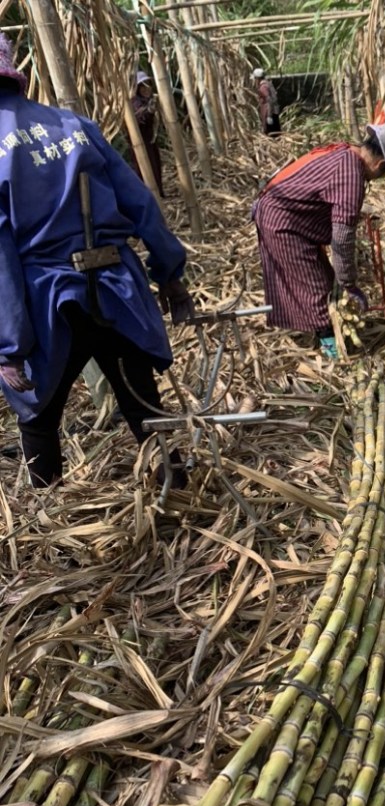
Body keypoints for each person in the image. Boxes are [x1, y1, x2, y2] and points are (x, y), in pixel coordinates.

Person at [0, 34, 194, 489]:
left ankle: (51, 527)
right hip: (116, 289)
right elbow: (140, 205)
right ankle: (180, 497)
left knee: (40, 420)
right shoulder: (74, 126)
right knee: (144, 407)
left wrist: (10, 346)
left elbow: (1, 256)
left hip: (48, 303)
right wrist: (170, 274)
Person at [252, 121, 385, 357]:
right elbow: (343, 238)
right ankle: (329, 345)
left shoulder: (346, 153)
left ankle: (323, 332)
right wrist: (349, 283)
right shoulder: (352, 174)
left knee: (322, 276)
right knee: (315, 286)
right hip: (282, 220)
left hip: (287, 215)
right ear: (380, 164)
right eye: (384, 173)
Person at [129, 71, 164, 197]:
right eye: (142, 86)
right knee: (144, 168)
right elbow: (139, 117)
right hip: (139, 142)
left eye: (147, 85)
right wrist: (149, 111)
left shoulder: (148, 100)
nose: (146, 89)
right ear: (137, 89)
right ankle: (149, 196)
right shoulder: (135, 102)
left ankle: (159, 193)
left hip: (149, 139)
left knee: (156, 165)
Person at [253, 68, 280, 136]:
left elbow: (269, 101)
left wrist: (269, 116)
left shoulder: (263, 87)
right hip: (274, 111)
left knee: (271, 134)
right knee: (276, 132)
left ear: (257, 78)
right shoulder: (268, 84)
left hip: (269, 112)